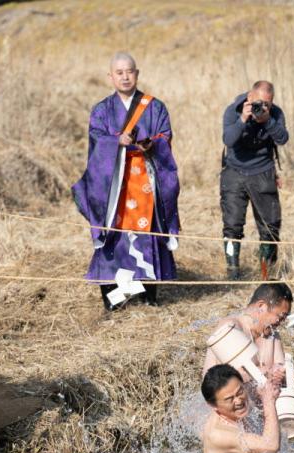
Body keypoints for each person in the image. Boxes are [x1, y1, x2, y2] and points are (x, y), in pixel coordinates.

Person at [72, 52, 180, 311]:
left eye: (129, 71)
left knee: (147, 234)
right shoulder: (101, 110)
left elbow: (165, 135)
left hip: (145, 182)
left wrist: (151, 144)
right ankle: (114, 297)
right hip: (115, 184)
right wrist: (115, 141)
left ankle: (148, 295)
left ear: (137, 74)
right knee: (115, 236)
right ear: (110, 77)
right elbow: (96, 140)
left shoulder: (155, 107)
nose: (124, 76)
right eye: (119, 72)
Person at [221, 80, 288, 281]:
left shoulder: (275, 113)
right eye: (259, 103)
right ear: (249, 97)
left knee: (270, 225)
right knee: (232, 224)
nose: (262, 107)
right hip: (235, 171)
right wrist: (243, 118)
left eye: (267, 104)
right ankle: (232, 271)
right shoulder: (233, 110)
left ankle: (267, 272)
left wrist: (267, 120)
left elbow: (283, 138)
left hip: (263, 171)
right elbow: (228, 140)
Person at [203, 282, 293, 386]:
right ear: (261, 306)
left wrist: (280, 376)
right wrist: (268, 371)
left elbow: (283, 377)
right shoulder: (230, 327)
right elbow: (230, 378)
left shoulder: (273, 336)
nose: (280, 322)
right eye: (281, 317)